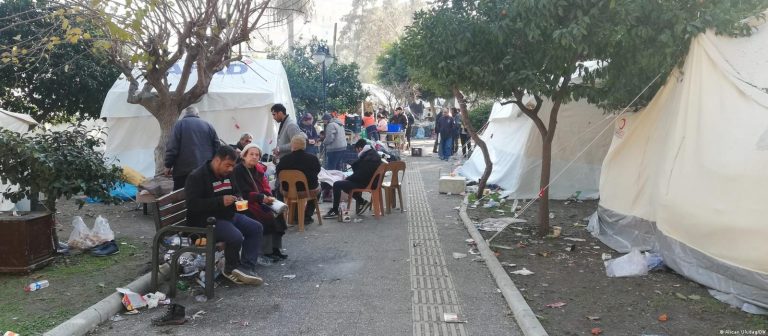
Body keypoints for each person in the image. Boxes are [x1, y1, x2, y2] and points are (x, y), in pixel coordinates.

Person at [185, 146, 264, 285]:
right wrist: (219, 201)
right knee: (236, 237)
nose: (230, 169)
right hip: (207, 221)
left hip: (228, 215)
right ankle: (231, 268)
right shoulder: (197, 176)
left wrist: (239, 200)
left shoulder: (229, 174)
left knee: (256, 227)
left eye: (233, 166)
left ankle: (247, 267)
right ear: (216, 160)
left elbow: (237, 191)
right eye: (227, 165)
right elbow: (193, 205)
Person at [232, 144, 288, 262]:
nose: (254, 157)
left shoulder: (258, 169)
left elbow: (265, 185)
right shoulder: (238, 170)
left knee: (278, 213)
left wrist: (268, 196)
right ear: (244, 156)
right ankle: (266, 251)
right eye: (251, 154)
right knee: (266, 215)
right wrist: (261, 197)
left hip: (261, 200)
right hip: (247, 203)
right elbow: (241, 192)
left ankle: (275, 248)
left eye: (257, 155)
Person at [164, 106, 221, 190]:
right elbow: (217, 147)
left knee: (182, 199)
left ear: (184, 114)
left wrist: (167, 165)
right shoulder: (208, 125)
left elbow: (172, 147)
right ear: (197, 114)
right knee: (205, 197)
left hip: (183, 172)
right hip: (205, 171)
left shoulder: (179, 125)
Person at [323, 139, 382, 218]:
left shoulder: (367, 158)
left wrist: (348, 178)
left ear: (360, 148)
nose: (357, 153)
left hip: (366, 182)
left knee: (337, 184)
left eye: (357, 150)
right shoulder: (372, 154)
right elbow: (362, 173)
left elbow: (360, 175)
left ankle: (335, 210)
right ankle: (362, 202)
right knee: (344, 184)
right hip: (373, 181)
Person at [275, 135, 322, 224]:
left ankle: (283, 216)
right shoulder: (312, 158)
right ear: (304, 145)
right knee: (319, 188)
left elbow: (278, 174)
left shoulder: (284, 159)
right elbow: (317, 171)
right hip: (307, 190)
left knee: (278, 189)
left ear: (292, 145)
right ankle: (306, 216)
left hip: (287, 191)